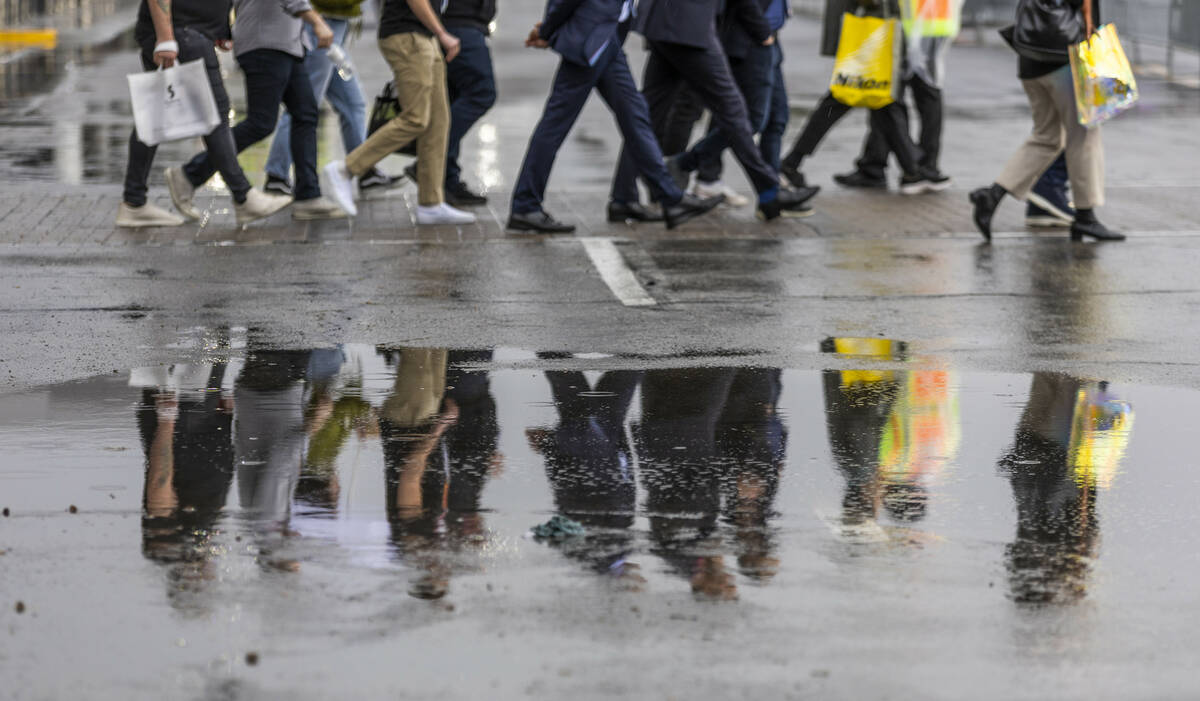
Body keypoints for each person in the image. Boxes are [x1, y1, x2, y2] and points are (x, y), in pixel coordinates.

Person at [506, 0, 724, 233]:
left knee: (636, 115)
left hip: (607, 39)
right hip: (591, 41)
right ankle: (525, 205)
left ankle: (642, 199)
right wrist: (548, 30)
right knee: (556, 123)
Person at [610, 0, 818, 222]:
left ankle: (624, 199)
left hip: (664, 22)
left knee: (648, 114)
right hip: (690, 25)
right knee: (734, 110)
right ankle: (770, 191)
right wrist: (762, 30)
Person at [166, 0, 349, 222]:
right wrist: (317, 22)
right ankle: (189, 175)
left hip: (289, 44)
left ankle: (308, 196)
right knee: (261, 122)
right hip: (265, 44)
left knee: (306, 113)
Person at [117, 0, 292, 228]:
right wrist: (166, 37)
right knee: (215, 113)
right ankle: (244, 197)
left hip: (190, 32)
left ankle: (134, 203)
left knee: (153, 116)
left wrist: (220, 28)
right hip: (182, 32)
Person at [969, 0, 1123, 241]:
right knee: (1084, 134)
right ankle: (1085, 217)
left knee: (1047, 137)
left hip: (1031, 59)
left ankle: (991, 196)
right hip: (1065, 57)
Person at [322, 0, 478, 225]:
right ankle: (345, 169)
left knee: (437, 122)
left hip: (424, 37)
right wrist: (442, 33)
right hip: (408, 36)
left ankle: (431, 204)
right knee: (416, 118)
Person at [778, 0, 947, 195]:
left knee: (874, 99)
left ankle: (904, 169)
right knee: (856, 97)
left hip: (875, 25)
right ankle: (912, 169)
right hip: (875, 28)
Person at [262, 0, 401, 199]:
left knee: (353, 103)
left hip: (331, 28)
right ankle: (277, 175)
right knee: (304, 106)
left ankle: (365, 169)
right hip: (320, 26)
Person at [678, 0, 793, 208]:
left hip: (769, 36)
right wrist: (762, 30)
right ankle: (688, 165)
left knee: (776, 117)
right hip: (751, 37)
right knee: (749, 118)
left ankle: (773, 191)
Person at [834, 0, 957, 191]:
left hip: (920, 22)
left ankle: (921, 168)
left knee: (906, 95)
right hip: (920, 21)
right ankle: (879, 164)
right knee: (892, 95)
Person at [405, 0, 499, 207]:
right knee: (482, 93)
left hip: (457, 24)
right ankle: (428, 163)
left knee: (451, 99)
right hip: (460, 25)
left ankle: (446, 178)